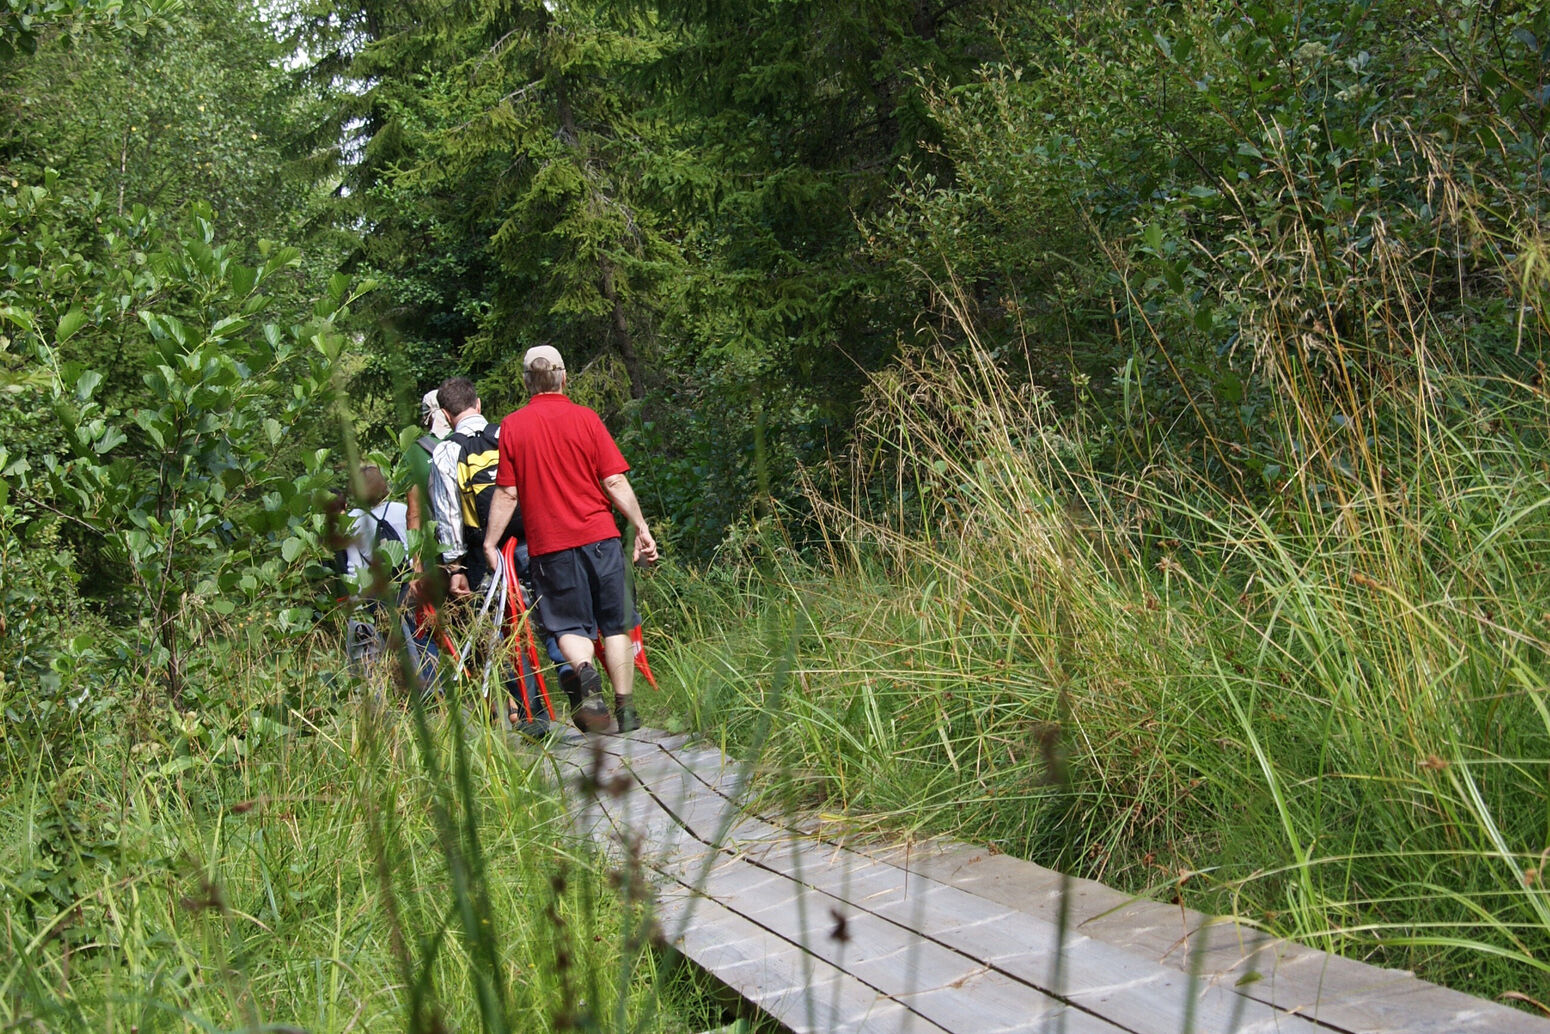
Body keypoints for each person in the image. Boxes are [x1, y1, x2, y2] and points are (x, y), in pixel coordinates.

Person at [483, 345, 659, 734]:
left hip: (551, 546)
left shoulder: (512, 426)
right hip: (601, 538)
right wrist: (641, 526)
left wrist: (489, 543)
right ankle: (626, 710)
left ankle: (584, 674)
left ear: (527, 381)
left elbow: (508, 493)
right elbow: (613, 479)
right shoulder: (586, 418)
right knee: (615, 624)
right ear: (564, 377)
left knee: (568, 627)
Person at [428, 376, 555, 736]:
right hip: (535, 539)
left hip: (485, 554)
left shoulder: (446, 452)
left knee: (507, 631)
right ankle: (574, 679)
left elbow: (448, 514)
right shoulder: (507, 434)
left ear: (446, 414)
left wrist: (454, 567)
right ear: (479, 404)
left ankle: (533, 715)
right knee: (552, 616)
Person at [340, 465, 410, 670]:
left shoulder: (353, 520)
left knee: (384, 654)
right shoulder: (403, 510)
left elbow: (355, 566)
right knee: (414, 645)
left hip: (376, 595)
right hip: (407, 587)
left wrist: (356, 606)